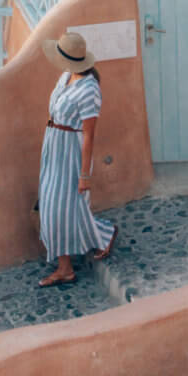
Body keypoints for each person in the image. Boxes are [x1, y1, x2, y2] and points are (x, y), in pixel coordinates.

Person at [37, 30, 116, 286]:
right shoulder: (66, 76)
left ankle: (71, 263)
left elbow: (89, 136)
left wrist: (84, 175)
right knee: (60, 207)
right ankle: (68, 265)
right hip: (54, 147)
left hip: (71, 152)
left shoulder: (89, 90)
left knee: (58, 209)